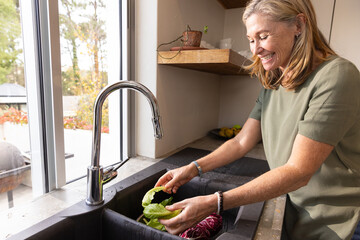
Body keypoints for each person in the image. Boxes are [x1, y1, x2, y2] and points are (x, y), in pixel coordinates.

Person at [155, 0, 360, 239]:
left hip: (342, 220)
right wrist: (193, 168)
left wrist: (215, 202)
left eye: (263, 36)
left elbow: (299, 171)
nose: (255, 50)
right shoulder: (274, 81)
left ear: (299, 25)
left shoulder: (336, 77)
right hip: (298, 210)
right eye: (251, 39)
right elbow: (242, 142)